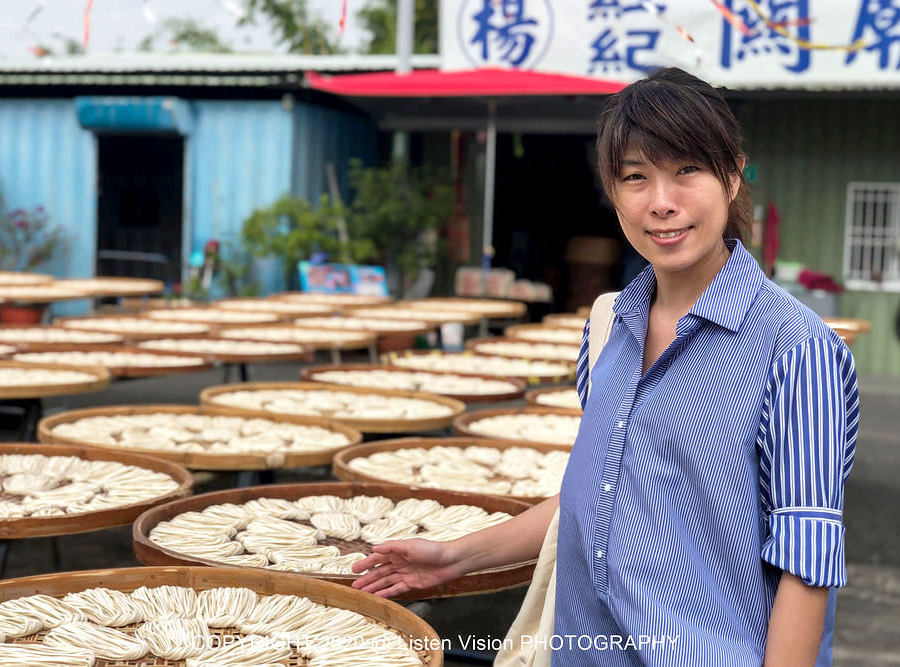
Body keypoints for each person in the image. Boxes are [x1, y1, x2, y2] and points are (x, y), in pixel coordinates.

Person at [352, 67, 858, 667]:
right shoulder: (607, 329)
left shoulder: (798, 350)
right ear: (612, 193)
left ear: (731, 174)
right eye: (636, 177)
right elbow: (595, 500)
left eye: (687, 170)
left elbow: (807, 569)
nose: (662, 202)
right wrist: (456, 557)